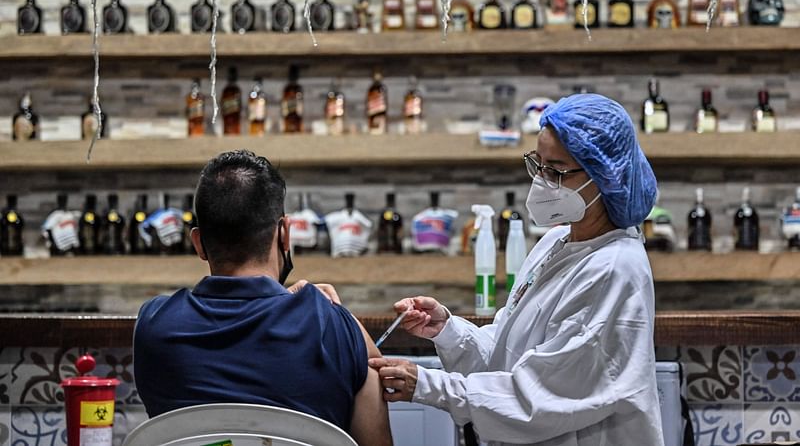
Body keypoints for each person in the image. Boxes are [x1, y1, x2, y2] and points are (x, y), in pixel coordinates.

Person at [369, 93, 665, 446]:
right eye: (537, 164)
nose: (541, 180)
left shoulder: (614, 268)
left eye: (555, 170)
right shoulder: (555, 243)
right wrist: (447, 330)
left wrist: (429, 385)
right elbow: (508, 354)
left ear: (605, 175)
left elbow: (541, 399)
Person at [134, 150, 392, 446]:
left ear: (198, 243)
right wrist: (322, 309)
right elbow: (376, 382)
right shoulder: (332, 325)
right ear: (284, 234)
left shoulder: (154, 323)